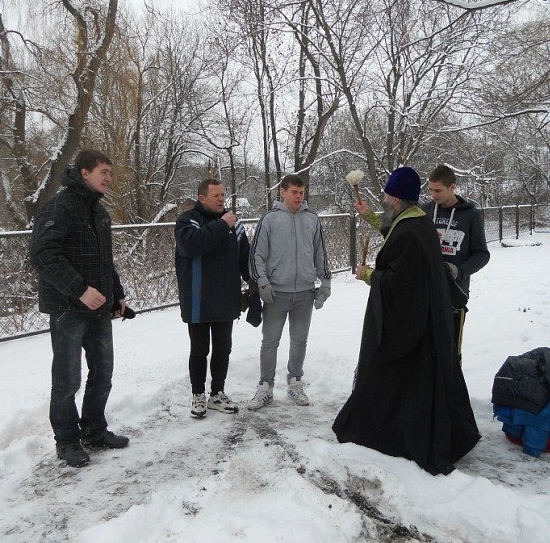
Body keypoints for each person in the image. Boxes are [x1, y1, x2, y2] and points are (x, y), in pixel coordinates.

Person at [333, 166, 480, 475]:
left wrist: (369, 274)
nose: (384, 199)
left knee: (390, 373)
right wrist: (368, 215)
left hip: (410, 327)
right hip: (425, 320)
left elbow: (401, 283)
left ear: (397, 200)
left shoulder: (412, 231)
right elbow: (392, 230)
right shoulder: (418, 219)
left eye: (387, 196)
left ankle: (392, 430)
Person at [30, 149, 130, 468]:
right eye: (103, 172)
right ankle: (67, 441)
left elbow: (105, 260)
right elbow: (43, 254)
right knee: (68, 379)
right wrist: (80, 290)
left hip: (99, 309)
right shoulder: (59, 207)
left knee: (103, 374)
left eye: (110, 172)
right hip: (67, 308)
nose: (109, 178)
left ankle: (94, 431)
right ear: (84, 173)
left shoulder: (99, 212)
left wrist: (116, 295)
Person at [247, 173, 331, 410]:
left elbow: (320, 253)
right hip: (276, 292)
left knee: (299, 340)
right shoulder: (270, 219)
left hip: (305, 292)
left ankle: (295, 382)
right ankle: (265, 387)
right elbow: (257, 255)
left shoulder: (312, 219)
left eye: (301, 192)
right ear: (282, 192)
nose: (298, 197)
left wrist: (325, 283)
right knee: (270, 341)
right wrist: (262, 282)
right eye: (294, 192)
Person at [175, 179, 251, 419]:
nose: (221, 199)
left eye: (223, 195)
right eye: (216, 195)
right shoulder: (188, 220)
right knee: (199, 349)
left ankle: (217, 393)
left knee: (223, 348)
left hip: (226, 298)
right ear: (202, 198)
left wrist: (254, 284)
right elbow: (191, 246)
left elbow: (245, 258)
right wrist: (221, 224)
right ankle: (198, 394)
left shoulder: (234, 225)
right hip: (197, 299)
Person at [421, 165, 490, 363]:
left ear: (452, 187)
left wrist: (459, 271)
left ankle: (452, 381)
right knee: (425, 351)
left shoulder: (471, 215)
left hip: (454, 294)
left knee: (449, 351)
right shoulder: (425, 211)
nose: (433, 195)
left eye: (438, 190)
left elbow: (482, 254)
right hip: (425, 292)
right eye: (430, 190)